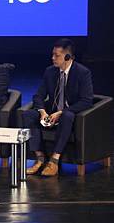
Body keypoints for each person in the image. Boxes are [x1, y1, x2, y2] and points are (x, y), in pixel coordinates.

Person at [22, 39, 93, 177]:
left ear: (67, 57)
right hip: (51, 113)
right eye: (52, 54)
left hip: (69, 115)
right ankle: (40, 158)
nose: (53, 58)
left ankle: (54, 160)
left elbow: (87, 101)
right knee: (28, 115)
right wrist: (42, 112)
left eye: (57, 55)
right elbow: (38, 96)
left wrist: (61, 112)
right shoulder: (50, 72)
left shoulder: (82, 73)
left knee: (67, 115)